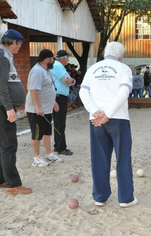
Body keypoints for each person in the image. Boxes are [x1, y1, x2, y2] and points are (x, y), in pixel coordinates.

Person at [79, 41, 138, 208]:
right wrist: (108, 114)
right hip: (118, 118)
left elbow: (83, 91)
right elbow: (123, 92)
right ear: (120, 56)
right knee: (123, 158)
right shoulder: (123, 68)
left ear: (105, 53)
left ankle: (100, 196)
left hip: (96, 119)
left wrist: (95, 111)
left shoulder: (93, 68)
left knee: (99, 158)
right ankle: (125, 198)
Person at [0, 29, 32, 194]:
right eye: (19, 44)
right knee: (8, 145)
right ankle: (12, 184)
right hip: (1, 107)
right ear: (13, 42)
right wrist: (9, 108)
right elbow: (0, 86)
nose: (20, 47)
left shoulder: (2, 56)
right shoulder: (2, 57)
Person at [25, 49, 64, 167]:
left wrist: (54, 102)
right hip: (37, 110)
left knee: (47, 132)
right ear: (47, 59)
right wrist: (38, 107)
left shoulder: (46, 70)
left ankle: (49, 154)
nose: (53, 61)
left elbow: (49, 88)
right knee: (37, 133)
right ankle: (36, 158)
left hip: (47, 108)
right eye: (52, 59)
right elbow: (34, 90)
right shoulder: (37, 71)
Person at [50, 50, 75, 156]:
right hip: (59, 97)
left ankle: (58, 144)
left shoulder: (58, 66)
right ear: (64, 58)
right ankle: (61, 146)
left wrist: (71, 80)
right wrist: (72, 80)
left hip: (59, 96)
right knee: (60, 122)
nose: (68, 60)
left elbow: (69, 81)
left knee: (59, 122)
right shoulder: (58, 66)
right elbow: (67, 81)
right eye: (67, 58)